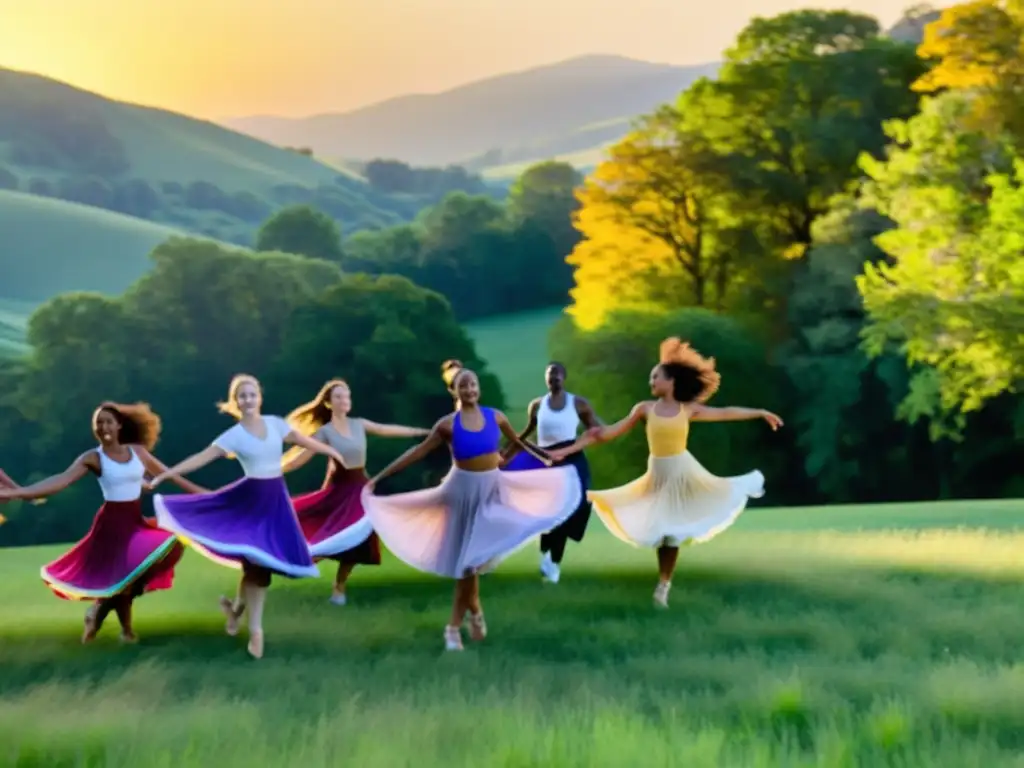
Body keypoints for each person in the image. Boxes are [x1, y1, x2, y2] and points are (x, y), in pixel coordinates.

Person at [362, 360, 581, 652]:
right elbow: (417, 453)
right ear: (455, 390)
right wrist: (379, 477)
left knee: (472, 564)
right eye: (463, 385)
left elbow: (518, 442)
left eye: (473, 384)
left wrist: (546, 457)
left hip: (493, 491)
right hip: (461, 495)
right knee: (467, 566)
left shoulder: (496, 417)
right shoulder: (446, 425)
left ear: (479, 388)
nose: (470, 389)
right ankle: (456, 626)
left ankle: (472, 616)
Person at [548, 338, 783, 608]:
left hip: (684, 473)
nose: (651, 381)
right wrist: (567, 450)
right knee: (662, 533)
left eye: (655, 377)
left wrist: (760, 412)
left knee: (671, 533)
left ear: (670, 382)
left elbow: (725, 412)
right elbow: (606, 433)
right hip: (657, 476)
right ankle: (663, 582)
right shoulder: (644, 409)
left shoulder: (687, 410)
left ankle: (663, 586)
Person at [149, 373, 347, 659]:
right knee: (257, 568)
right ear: (236, 402)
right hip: (248, 502)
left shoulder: (276, 424)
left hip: (275, 503)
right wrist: (166, 474)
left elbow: (304, 441)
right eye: (242, 396)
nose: (248, 399)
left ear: (260, 397)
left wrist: (332, 451)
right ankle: (256, 631)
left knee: (257, 568)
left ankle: (235, 611)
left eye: (252, 394)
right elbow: (201, 458)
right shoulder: (234, 436)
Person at [0, 402, 206, 643]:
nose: (103, 426)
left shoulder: (138, 452)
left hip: (135, 521)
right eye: (98, 423)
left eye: (108, 421)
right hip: (111, 526)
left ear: (119, 425)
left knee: (159, 549)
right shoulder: (93, 458)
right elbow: (60, 480)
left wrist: (205, 494)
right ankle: (125, 631)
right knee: (122, 580)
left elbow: (170, 475)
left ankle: (98, 616)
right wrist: (18, 493)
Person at [281, 378, 429, 605]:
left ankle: (339, 585)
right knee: (324, 530)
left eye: (347, 396)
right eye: (339, 397)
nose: (344, 400)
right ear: (329, 403)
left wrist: (420, 433)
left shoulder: (359, 424)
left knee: (358, 537)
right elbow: (298, 460)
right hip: (339, 488)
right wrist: (271, 471)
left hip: (360, 485)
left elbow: (384, 429)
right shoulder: (325, 432)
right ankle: (297, 560)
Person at [502, 361, 603, 584]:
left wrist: (603, 431)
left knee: (576, 506)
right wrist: (506, 456)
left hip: (572, 459)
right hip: (545, 461)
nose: (553, 378)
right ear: (545, 379)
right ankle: (551, 559)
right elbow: (524, 435)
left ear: (564, 377)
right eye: (549, 375)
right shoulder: (537, 406)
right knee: (550, 511)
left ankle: (552, 559)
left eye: (557, 374)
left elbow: (595, 430)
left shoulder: (578, 404)